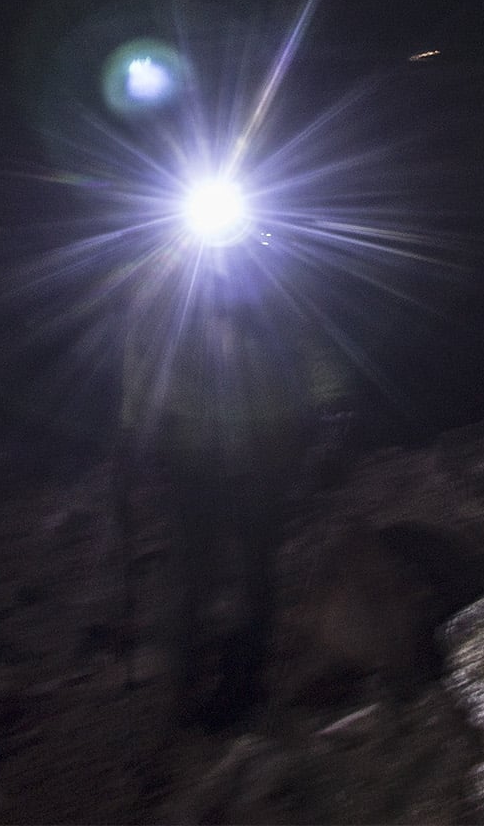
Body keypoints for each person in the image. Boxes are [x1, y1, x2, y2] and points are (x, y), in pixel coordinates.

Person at [118, 254, 338, 728]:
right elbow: (141, 349)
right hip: (193, 438)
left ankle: (243, 684)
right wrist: (134, 426)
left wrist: (332, 402)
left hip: (268, 432)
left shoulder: (275, 271)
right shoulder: (163, 278)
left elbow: (309, 335)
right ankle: (185, 687)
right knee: (195, 564)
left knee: (255, 560)